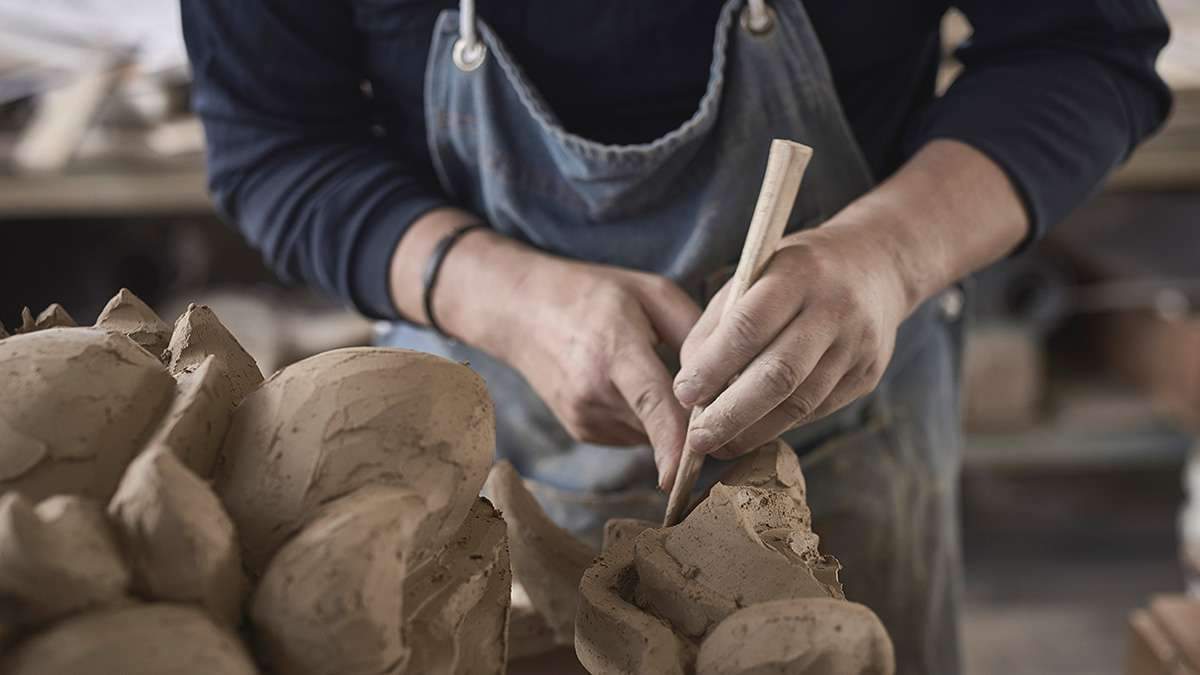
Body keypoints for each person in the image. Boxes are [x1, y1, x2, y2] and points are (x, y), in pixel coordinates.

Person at [182, 1, 1171, 672]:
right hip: (466, 417)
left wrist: (893, 252)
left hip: (857, 388)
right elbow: (274, 138)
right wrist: (505, 297)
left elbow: (1085, 44)